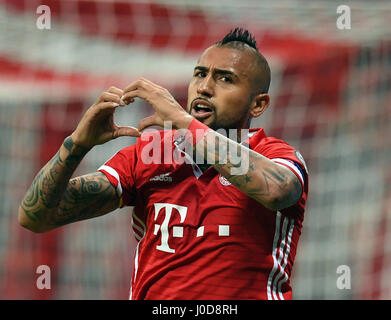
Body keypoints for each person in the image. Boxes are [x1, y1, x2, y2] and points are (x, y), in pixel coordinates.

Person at [18, 28, 308, 300]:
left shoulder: (275, 157)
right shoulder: (150, 154)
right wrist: (76, 145)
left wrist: (182, 121)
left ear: (258, 104)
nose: (204, 88)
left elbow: (278, 192)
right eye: (199, 74)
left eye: (225, 79)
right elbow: (36, 217)